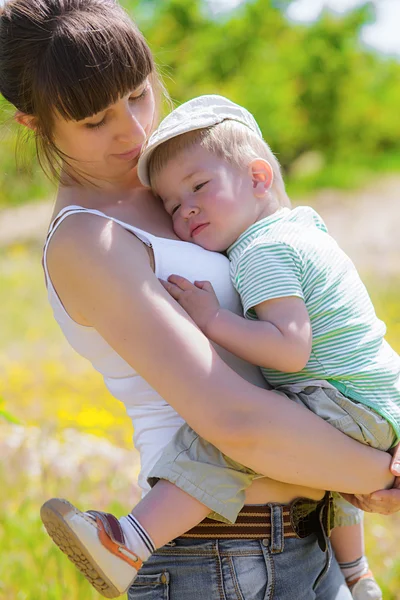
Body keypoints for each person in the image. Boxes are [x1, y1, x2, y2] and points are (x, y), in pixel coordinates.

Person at [1, 2, 399, 599]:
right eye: (94, 120)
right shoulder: (89, 238)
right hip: (221, 557)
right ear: (35, 123)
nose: (133, 131)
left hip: (308, 538)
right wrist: (380, 473)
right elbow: (233, 419)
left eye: (138, 94)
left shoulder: (178, 185)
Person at [132, 94, 400, 599]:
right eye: (171, 204)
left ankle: (133, 537)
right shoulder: (304, 228)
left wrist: (212, 319)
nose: (185, 207)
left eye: (199, 186)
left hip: (344, 397)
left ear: (258, 178)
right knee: (318, 462)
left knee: (229, 438)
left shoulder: (262, 249)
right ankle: (358, 573)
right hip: (379, 403)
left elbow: (289, 349)